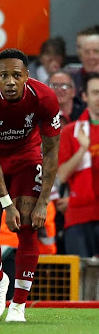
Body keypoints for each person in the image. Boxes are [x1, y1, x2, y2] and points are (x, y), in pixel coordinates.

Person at [0, 48, 61, 322]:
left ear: (26, 77)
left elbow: (52, 151)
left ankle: (18, 305)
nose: (10, 81)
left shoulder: (44, 97)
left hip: (26, 159)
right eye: (4, 75)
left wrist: (43, 202)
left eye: (16, 75)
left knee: (29, 227)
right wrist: (7, 204)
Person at [57, 73, 99, 257]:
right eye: (96, 93)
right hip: (79, 215)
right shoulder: (70, 131)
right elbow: (62, 175)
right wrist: (83, 149)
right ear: (85, 97)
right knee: (80, 278)